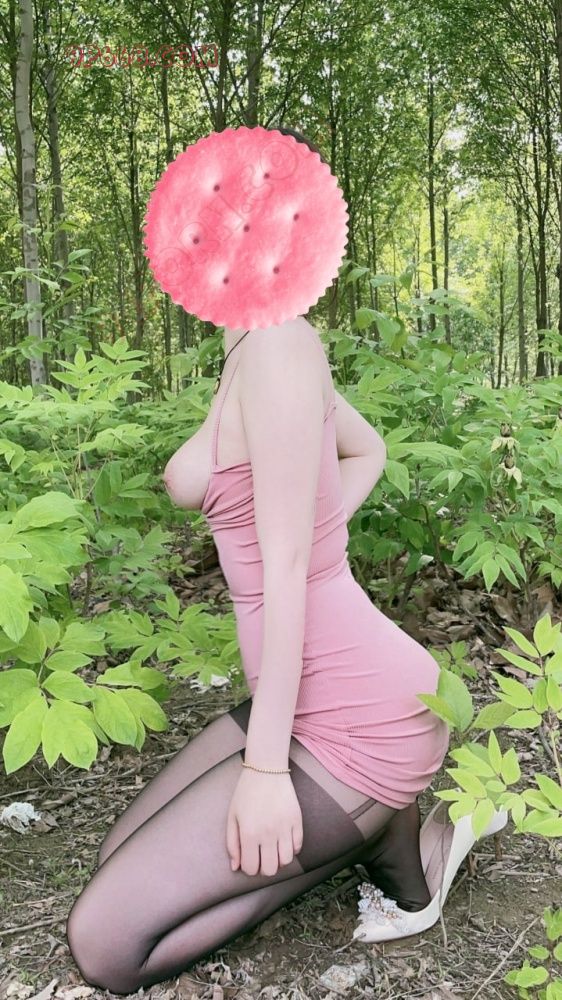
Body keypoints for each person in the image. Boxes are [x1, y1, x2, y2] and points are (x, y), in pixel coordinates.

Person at [65, 133, 450, 995]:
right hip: (306, 696)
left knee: (104, 945)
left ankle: (382, 817)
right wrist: (318, 538)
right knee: (116, 857)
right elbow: (367, 452)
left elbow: (285, 574)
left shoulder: (278, 349)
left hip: (356, 712)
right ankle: (379, 828)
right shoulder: (249, 351)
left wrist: (266, 772)